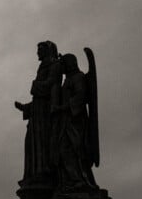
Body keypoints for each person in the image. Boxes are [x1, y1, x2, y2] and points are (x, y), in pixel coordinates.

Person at [14, 41, 62, 183]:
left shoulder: (55, 65)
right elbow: (38, 98)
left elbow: (52, 85)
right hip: (37, 111)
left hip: (46, 111)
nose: (37, 53)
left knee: (43, 140)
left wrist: (35, 85)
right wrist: (25, 107)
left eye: (40, 50)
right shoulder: (43, 66)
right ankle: (34, 173)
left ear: (48, 51)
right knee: (31, 142)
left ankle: (43, 171)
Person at [53, 52, 99, 191]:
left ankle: (79, 180)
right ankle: (71, 180)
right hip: (66, 120)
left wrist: (62, 108)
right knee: (64, 150)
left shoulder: (78, 77)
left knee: (73, 149)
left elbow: (80, 97)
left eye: (64, 64)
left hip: (75, 120)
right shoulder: (67, 80)